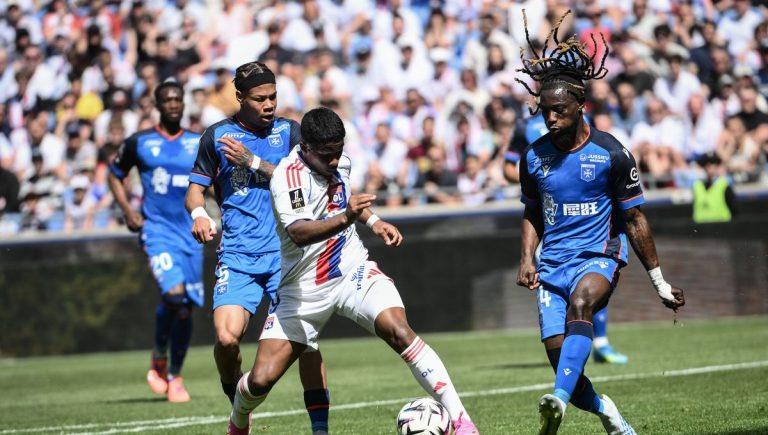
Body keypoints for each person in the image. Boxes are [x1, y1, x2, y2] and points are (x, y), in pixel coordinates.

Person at [226, 107, 480, 435]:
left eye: (339, 151)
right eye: (328, 154)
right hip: (303, 289)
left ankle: (463, 423)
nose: (335, 161)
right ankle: (238, 420)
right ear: (306, 148)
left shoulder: (340, 162)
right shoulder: (287, 178)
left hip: (352, 271)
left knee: (400, 331)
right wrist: (347, 217)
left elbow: (344, 200)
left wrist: (374, 221)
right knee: (261, 380)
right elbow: (299, 232)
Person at [514, 11, 685, 435]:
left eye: (558, 111)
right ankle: (605, 410)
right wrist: (527, 258)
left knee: (582, 305)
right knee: (564, 365)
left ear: (580, 106)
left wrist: (659, 282)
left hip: (598, 255)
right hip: (552, 264)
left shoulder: (612, 154)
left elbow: (635, 218)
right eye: (544, 111)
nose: (550, 119)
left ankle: (556, 402)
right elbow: (532, 210)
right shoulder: (533, 157)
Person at [184, 62, 330, 434]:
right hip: (238, 256)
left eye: (273, 97)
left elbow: (311, 181)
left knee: (308, 343)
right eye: (259, 98)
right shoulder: (216, 137)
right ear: (239, 97)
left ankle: (320, 429)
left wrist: (254, 163)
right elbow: (194, 191)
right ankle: (238, 406)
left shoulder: (290, 132)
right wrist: (199, 214)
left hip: (287, 258)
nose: (269, 104)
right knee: (225, 339)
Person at [108, 81, 203, 403]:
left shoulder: (197, 142)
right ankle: (159, 356)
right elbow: (114, 174)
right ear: (158, 105)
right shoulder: (140, 142)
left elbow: (213, 182)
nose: (173, 104)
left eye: (178, 99)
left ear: (184, 103)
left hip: (190, 233)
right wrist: (127, 210)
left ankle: (175, 375)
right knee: (174, 295)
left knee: (186, 308)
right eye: (167, 100)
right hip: (157, 231)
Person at [692, 152, 735, 224]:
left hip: (722, 226)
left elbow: (734, 209)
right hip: (700, 227)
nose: (710, 167)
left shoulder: (724, 185)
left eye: (714, 163)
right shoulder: (696, 186)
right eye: (707, 164)